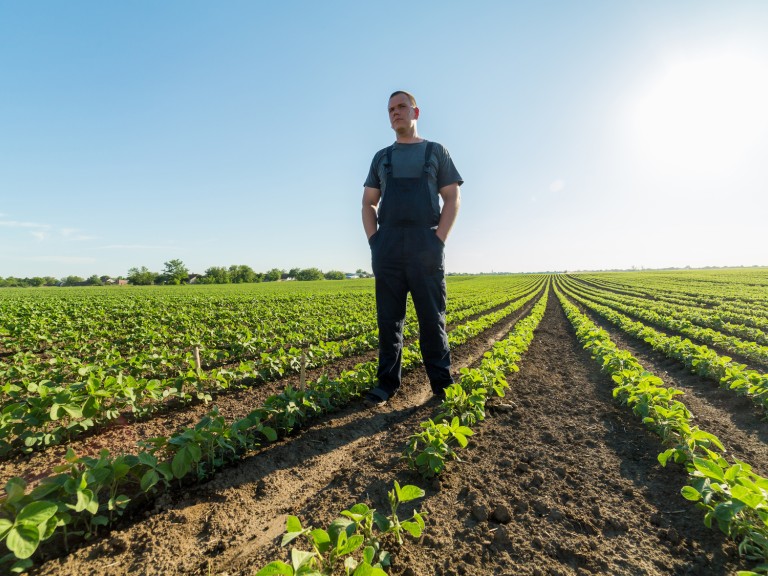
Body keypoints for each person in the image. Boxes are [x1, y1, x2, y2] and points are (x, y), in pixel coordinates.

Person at [361, 90, 463, 407]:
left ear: (415, 112)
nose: (395, 112)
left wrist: (439, 239)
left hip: (425, 243)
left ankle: (441, 383)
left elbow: (452, 198)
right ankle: (386, 384)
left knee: (432, 319)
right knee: (389, 320)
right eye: (390, 109)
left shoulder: (436, 152)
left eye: (402, 106)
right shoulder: (382, 157)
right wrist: (375, 241)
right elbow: (367, 203)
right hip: (388, 245)